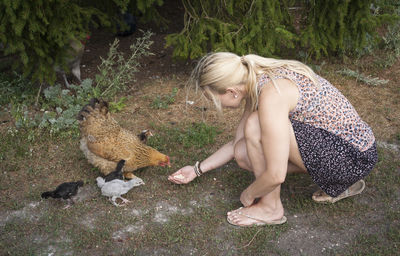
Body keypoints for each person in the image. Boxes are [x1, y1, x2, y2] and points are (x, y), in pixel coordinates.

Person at [168, 52, 378, 227]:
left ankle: (271, 208)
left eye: (213, 99)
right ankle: (342, 182)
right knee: (243, 152)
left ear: (231, 92)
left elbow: (276, 175)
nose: (217, 105)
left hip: (352, 158)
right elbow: (237, 146)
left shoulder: (272, 94)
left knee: (255, 125)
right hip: (348, 151)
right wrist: (196, 169)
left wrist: (250, 193)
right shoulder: (256, 80)